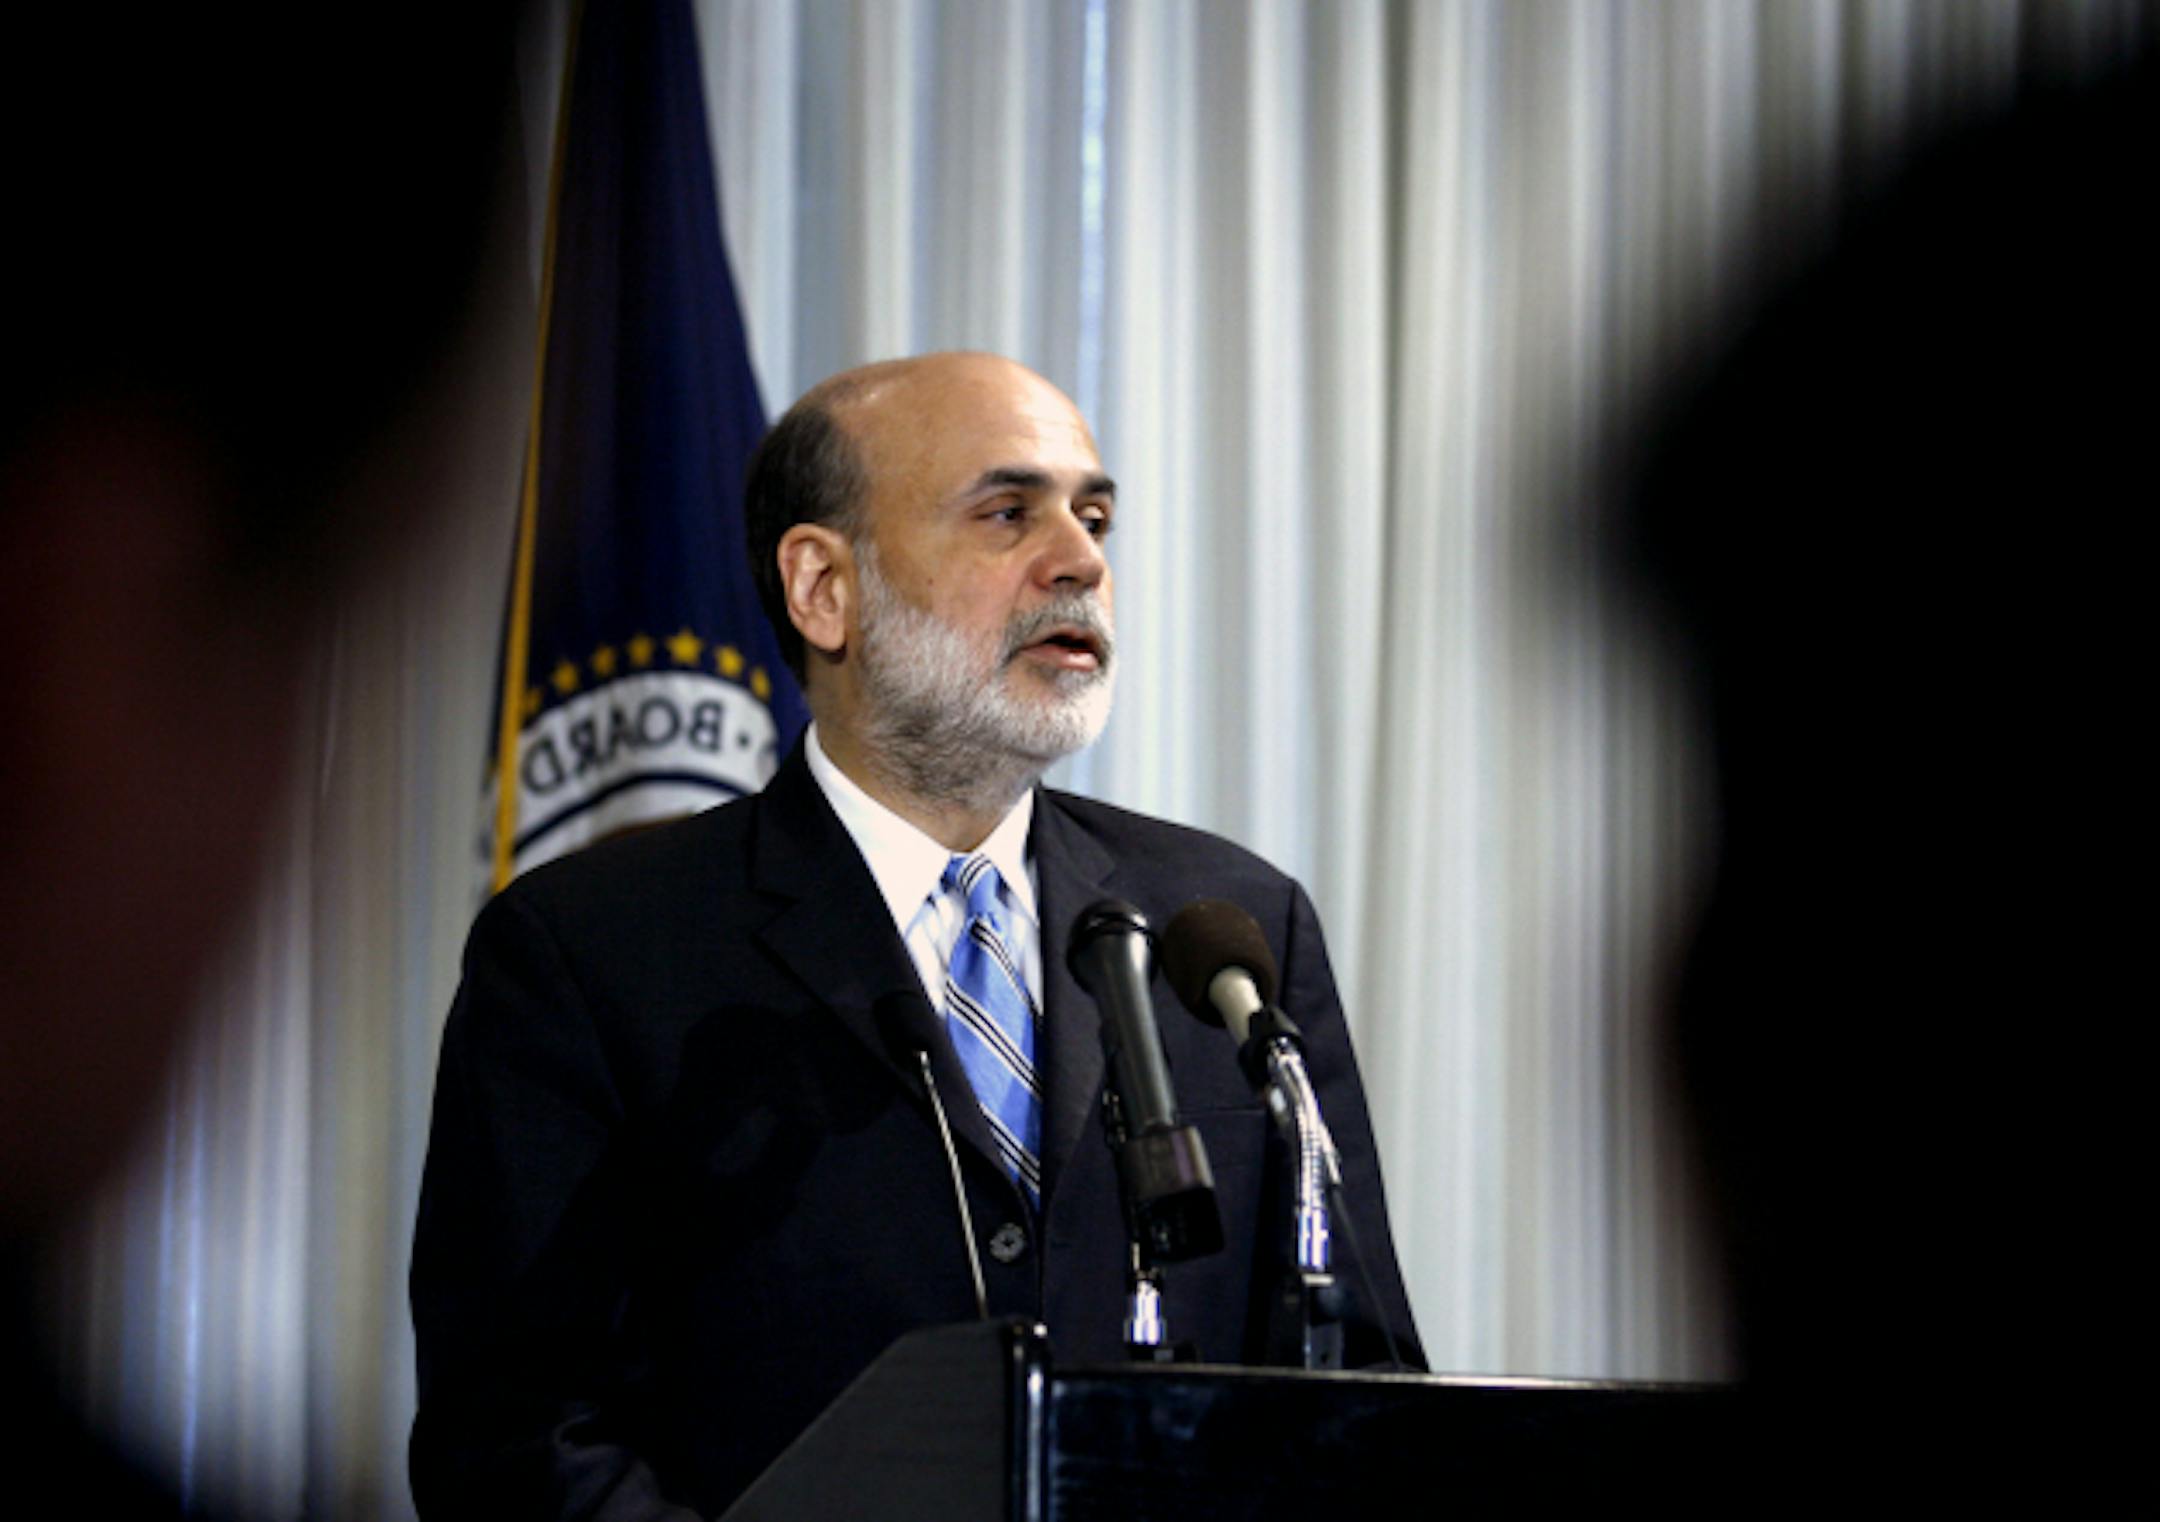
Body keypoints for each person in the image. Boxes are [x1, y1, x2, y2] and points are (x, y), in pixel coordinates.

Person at [409, 352, 1423, 1518]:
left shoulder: (1227, 931)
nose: (1082, 560)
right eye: (1007, 512)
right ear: (822, 587)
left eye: (1093, 515)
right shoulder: (586, 952)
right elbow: (522, 1445)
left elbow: (1363, 1391)